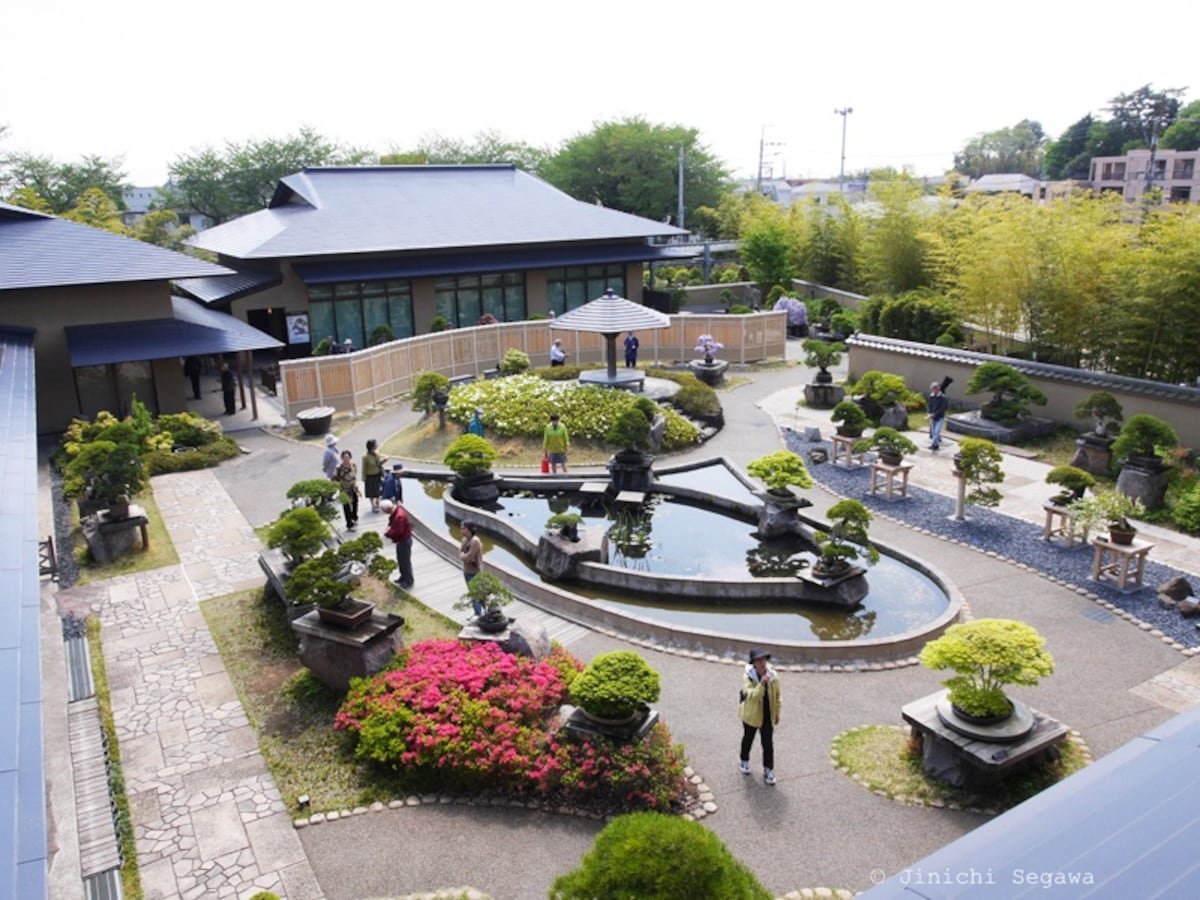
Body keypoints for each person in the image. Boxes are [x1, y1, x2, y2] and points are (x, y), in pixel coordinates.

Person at [739, 648, 781, 786]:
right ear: (754, 663)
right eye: (759, 660)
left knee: (768, 744)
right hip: (752, 714)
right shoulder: (748, 677)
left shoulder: (773, 676)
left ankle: (768, 769)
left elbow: (777, 696)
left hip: (767, 716)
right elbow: (753, 696)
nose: (762, 663)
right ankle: (744, 760)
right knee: (748, 738)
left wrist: (777, 712)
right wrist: (762, 684)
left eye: (764, 659)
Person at [382, 499, 414, 589]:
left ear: (388, 509)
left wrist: (388, 533)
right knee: (401, 560)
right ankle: (403, 577)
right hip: (401, 540)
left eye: (384, 511)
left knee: (405, 561)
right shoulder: (396, 511)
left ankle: (409, 581)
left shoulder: (399, 516)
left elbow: (398, 531)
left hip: (404, 540)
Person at [458, 521, 485, 614]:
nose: (461, 530)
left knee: (476, 594)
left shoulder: (475, 541)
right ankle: (477, 613)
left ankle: (479, 614)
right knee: (473, 593)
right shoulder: (464, 540)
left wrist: (463, 556)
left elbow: (469, 557)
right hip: (466, 570)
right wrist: (464, 556)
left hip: (475, 572)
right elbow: (460, 554)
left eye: (463, 528)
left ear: (469, 529)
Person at [334, 449, 359, 530]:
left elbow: (355, 475)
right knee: (346, 506)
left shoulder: (354, 465)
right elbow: (335, 478)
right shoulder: (339, 468)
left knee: (355, 502)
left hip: (353, 487)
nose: (346, 459)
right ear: (342, 458)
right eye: (345, 457)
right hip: (344, 489)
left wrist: (356, 485)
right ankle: (349, 524)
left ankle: (354, 517)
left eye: (348, 457)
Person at [362, 439, 386, 513]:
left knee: (378, 491)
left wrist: (385, 460)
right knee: (371, 492)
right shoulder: (365, 457)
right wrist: (364, 478)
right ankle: (373, 505)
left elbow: (379, 464)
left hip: (377, 474)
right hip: (369, 476)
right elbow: (364, 468)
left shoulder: (377, 454)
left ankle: (378, 503)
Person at [927, 380, 949, 451]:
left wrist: (934, 414)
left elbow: (942, 408)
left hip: (939, 417)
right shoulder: (931, 396)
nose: (933, 390)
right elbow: (929, 405)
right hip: (932, 417)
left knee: (936, 432)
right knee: (933, 432)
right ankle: (936, 445)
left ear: (938, 389)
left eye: (934, 389)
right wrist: (929, 413)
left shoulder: (943, 398)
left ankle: (933, 445)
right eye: (932, 389)